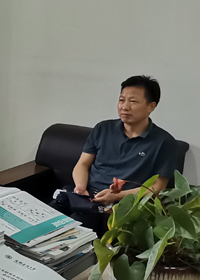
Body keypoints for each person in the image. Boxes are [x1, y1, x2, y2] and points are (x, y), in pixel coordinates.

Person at [61, 76, 177, 230]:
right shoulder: (102, 128)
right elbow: (83, 163)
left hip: (123, 205)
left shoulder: (164, 142)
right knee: (46, 217)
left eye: (133, 101)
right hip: (87, 197)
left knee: (75, 228)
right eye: (122, 100)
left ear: (151, 106)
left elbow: (157, 187)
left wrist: (116, 196)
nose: (125, 107)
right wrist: (80, 187)